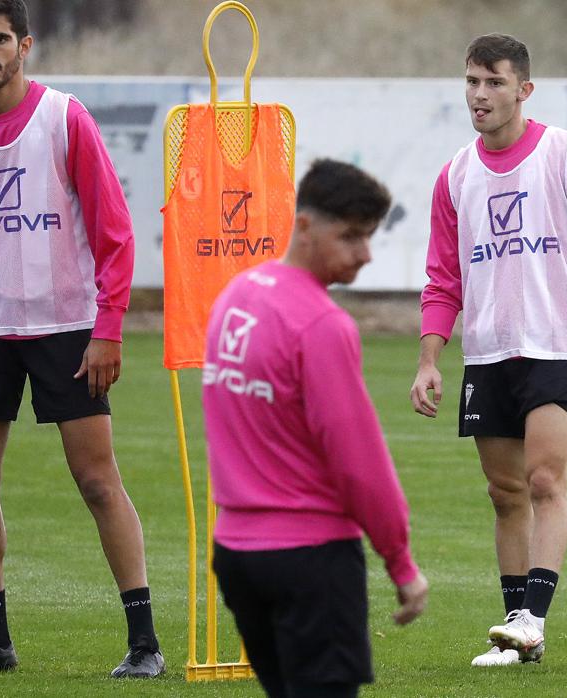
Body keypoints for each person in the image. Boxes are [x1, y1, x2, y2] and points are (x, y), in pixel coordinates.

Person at [0, 0, 162, 678]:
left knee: (98, 482)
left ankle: (143, 644)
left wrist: (108, 330)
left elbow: (115, 234)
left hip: (66, 329)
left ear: (26, 46)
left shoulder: (63, 119)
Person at [410, 33, 567, 667]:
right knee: (504, 492)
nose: (480, 95)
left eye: (493, 82)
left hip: (557, 343)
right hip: (487, 352)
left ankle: (531, 620)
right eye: (471, 82)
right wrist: (430, 359)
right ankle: (520, 630)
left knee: (545, 478)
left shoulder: (566, 155)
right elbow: (443, 278)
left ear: (524, 89)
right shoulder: (454, 176)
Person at [204, 159, 429, 698]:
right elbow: (359, 462)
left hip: (237, 558)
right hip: (310, 562)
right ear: (304, 225)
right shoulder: (322, 324)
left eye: (369, 237)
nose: (365, 254)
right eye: (350, 236)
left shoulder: (236, 296)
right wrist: (400, 562)